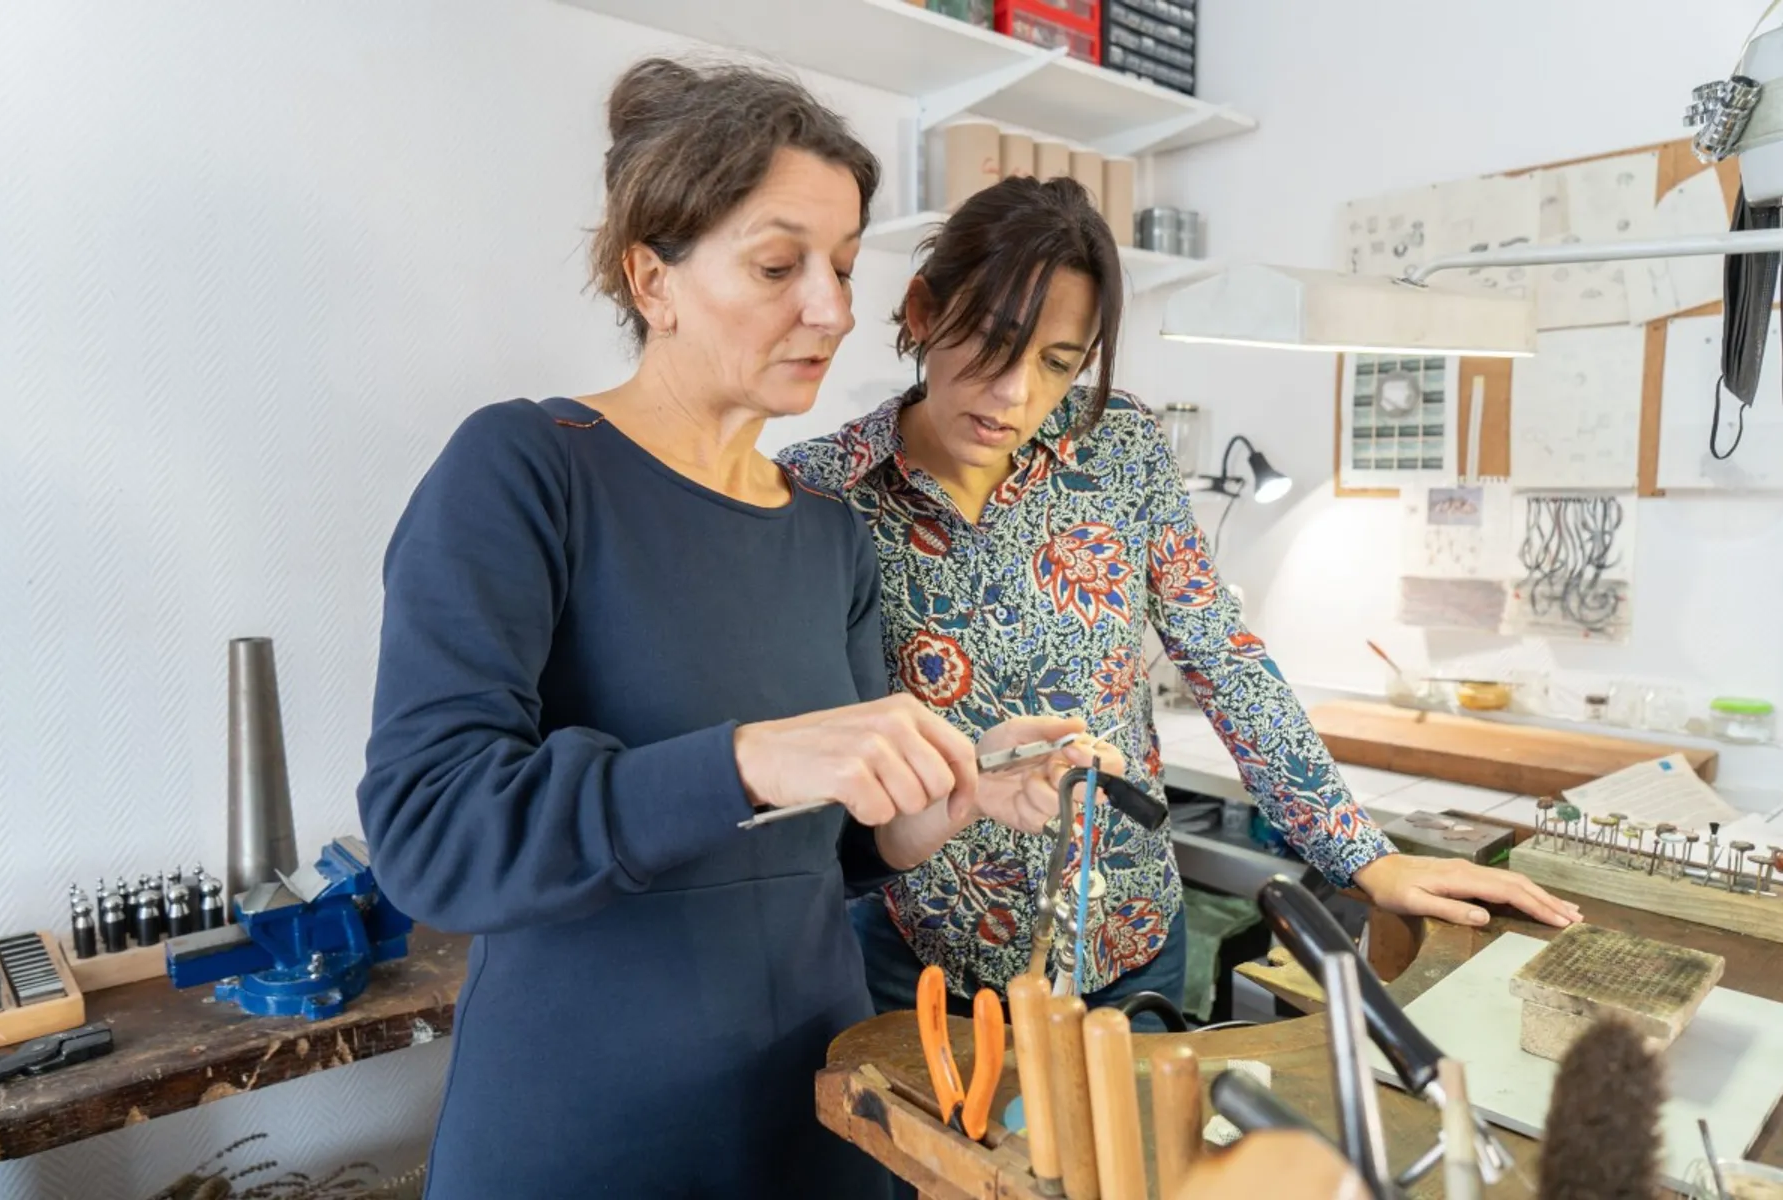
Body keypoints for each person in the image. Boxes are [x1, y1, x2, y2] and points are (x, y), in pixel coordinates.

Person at [355, 61, 1122, 1200]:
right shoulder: (526, 470)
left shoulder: (826, 533)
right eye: (778, 265)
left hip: (822, 1116)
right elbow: (431, 835)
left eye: (845, 266)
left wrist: (926, 812)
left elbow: (823, 854)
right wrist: (748, 755)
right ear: (651, 277)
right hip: (594, 1131)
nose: (831, 307)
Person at [778, 175, 1581, 1030]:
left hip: (1124, 935)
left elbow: (1221, 654)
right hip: (924, 957)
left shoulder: (1116, 446)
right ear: (922, 310)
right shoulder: (824, 490)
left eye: (1057, 362)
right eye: (991, 339)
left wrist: (1363, 858)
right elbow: (816, 747)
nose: (1015, 394)